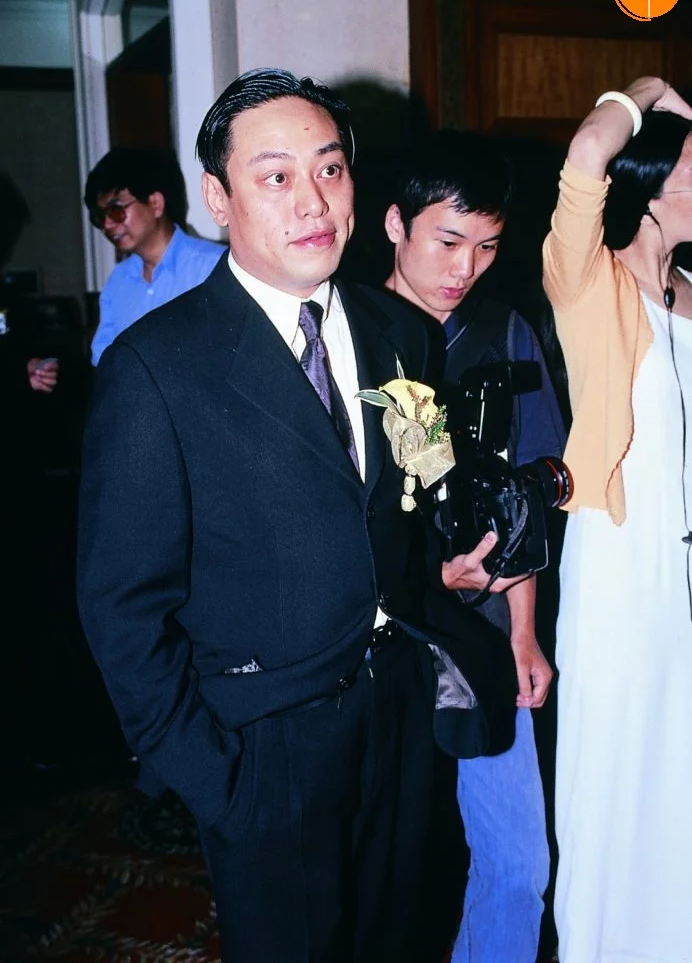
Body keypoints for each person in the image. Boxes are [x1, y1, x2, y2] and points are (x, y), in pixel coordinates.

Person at [76, 69, 486, 962]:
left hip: (401, 725)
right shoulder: (154, 369)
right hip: (265, 746)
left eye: (330, 169)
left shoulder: (401, 335)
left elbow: (419, 491)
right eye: (276, 177)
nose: (313, 201)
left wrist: (454, 555)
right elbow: (122, 607)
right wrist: (215, 778)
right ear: (218, 198)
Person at [384, 129, 565, 963]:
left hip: (485, 638)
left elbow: (525, 496)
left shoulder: (503, 330)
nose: (465, 268)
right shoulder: (352, 332)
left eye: (487, 247)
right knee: (396, 879)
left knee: (518, 866)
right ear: (396, 223)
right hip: (381, 649)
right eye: (448, 241)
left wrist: (523, 631)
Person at [543, 77, 692, 962]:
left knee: (679, 780)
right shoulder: (587, 282)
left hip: (686, 572)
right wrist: (650, 93)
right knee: (613, 775)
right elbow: (589, 153)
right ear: (656, 187)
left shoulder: (691, 293)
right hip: (621, 565)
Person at [84, 147, 224, 364]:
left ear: (155, 204)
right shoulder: (118, 280)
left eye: (116, 210)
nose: (107, 225)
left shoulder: (215, 267)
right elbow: (104, 361)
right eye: (99, 217)